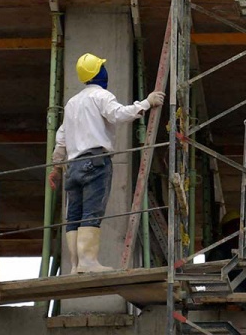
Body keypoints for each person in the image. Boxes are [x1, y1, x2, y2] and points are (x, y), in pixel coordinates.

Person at [48, 53, 164, 273]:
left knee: (74, 215)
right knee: (91, 212)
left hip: (72, 166)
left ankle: (75, 266)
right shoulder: (101, 96)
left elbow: (61, 137)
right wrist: (147, 103)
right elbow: (118, 115)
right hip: (95, 161)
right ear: (98, 73)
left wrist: (55, 167)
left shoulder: (72, 103)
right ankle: (88, 262)